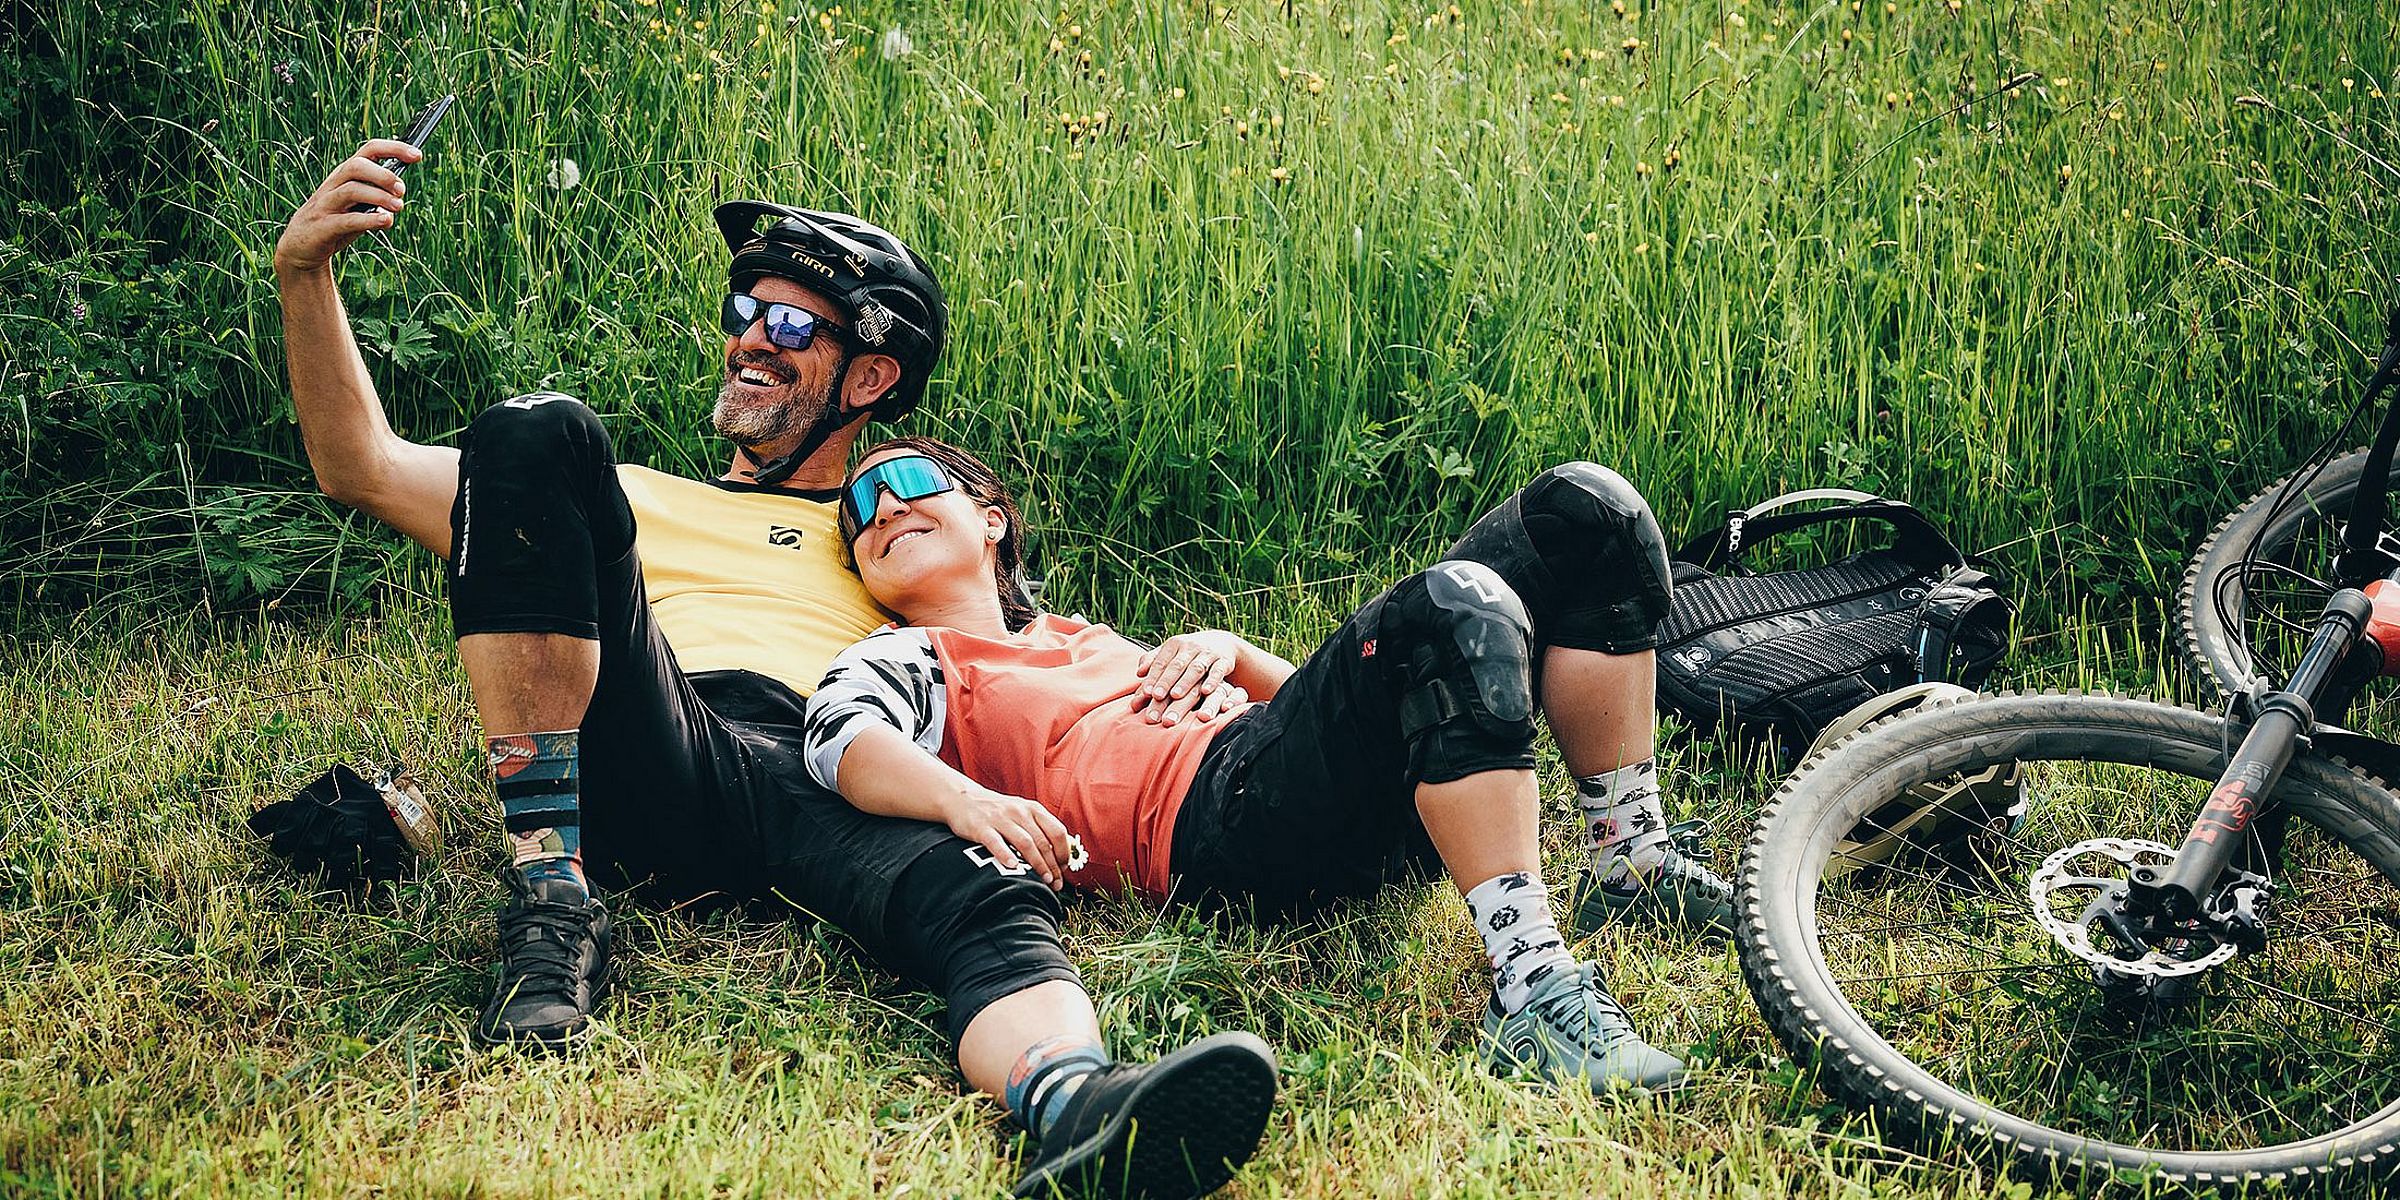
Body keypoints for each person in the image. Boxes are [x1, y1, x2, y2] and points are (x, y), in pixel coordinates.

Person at [273, 139, 1275, 1200]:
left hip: (819, 768)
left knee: (986, 885)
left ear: (870, 377)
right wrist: (304, 276)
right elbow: (362, 467)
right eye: (744, 308)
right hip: (650, 729)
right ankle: (551, 900)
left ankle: (1073, 1104)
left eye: (793, 324)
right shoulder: (623, 499)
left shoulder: (886, 545)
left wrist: (1205, 679)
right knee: (535, 433)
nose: (752, 336)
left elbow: (1027, 663)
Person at [803, 438, 1737, 1092]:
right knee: (1453, 605)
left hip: (1286, 777)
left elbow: (1383, 708)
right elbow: (839, 740)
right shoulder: (915, 659)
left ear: (992, 519)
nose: (881, 509)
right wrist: (968, 803)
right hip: (1218, 832)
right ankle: (1531, 991)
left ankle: (1630, 860)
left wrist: (1234, 651)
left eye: (909, 481)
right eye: (858, 513)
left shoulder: (1083, 637)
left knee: (1591, 512)